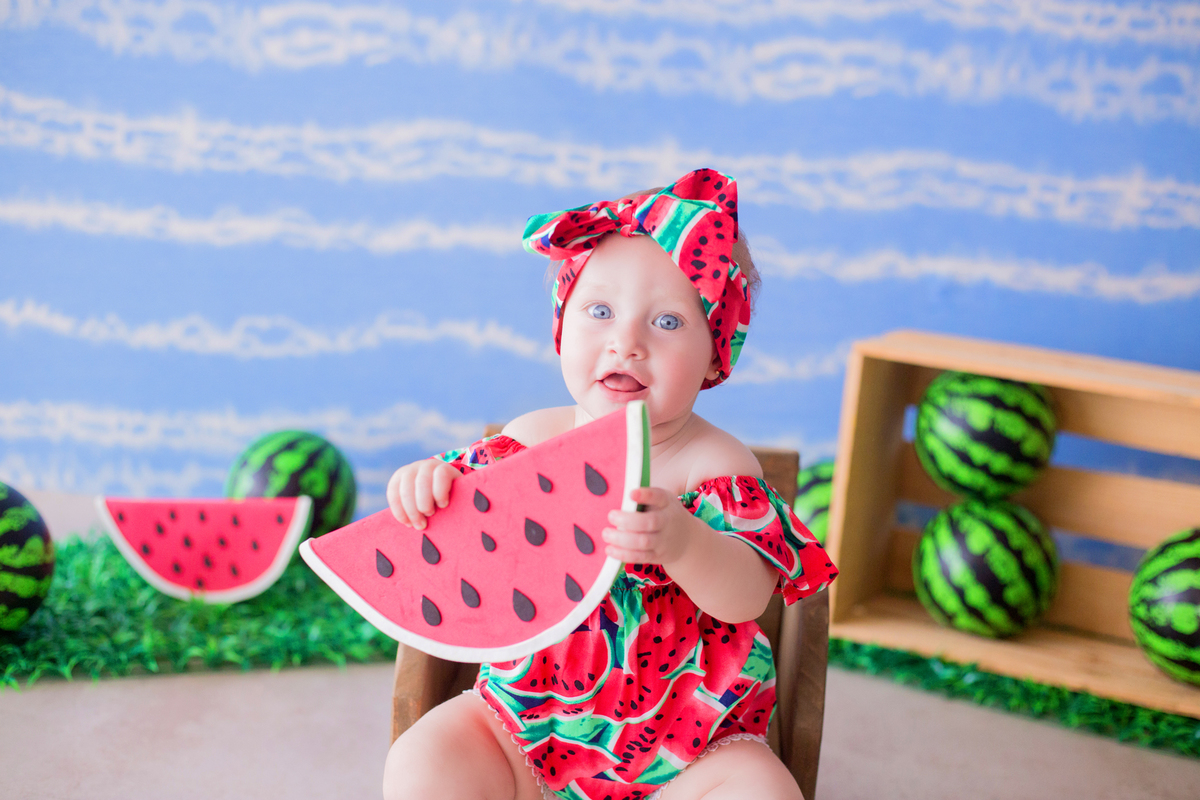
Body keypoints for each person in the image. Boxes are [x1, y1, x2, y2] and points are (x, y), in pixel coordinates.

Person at [382, 168, 838, 800]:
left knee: (762, 791)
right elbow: (462, 530)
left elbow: (744, 598)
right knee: (424, 758)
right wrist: (427, 484)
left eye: (669, 323)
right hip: (522, 725)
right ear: (562, 325)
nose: (626, 342)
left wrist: (684, 544)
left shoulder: (718, 466)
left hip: (694, 748)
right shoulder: (530, 441)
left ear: (716, 353)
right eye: (599, 311)